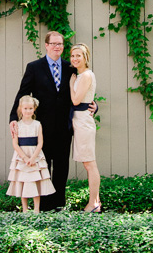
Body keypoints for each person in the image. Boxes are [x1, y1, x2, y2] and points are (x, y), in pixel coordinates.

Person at [9, 30, 95, 211]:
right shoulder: (34, 67)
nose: (57, 47)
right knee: (44, 164)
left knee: (62, 165)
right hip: (43, 126)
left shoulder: (70, 67)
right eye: (54, 44)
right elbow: (23, 93)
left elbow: (84, 92)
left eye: (60, 44)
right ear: (46, 45)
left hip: (65, 124)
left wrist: (94, 106)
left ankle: (59, 204)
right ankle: (45, 205)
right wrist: (13, 118)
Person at [6, 95, 55, 212]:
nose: (28, 111)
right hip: (21, 156)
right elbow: (15, 144)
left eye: (30, 108)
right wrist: (24, 157)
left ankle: (36, 209)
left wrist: (33, 158)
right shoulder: (17, 125)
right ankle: (24, 209)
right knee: (24, 181)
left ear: (34, 109)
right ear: (20, 109)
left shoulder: (37, 124)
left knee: (35, 181)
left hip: (35, 155)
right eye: (25, 108)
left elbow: (40, 142)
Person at [69, 43, 101, 213]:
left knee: (89, 163)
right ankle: (96, 201)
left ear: (85, 57)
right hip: (78, 121)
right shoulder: (79, 75)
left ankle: (94, 203)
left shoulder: (86, 75)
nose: (75, 58)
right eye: (72, 56)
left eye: (78, 55)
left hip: (83, 122)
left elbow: (76, 101)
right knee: (88, 162)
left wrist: (70, 84)